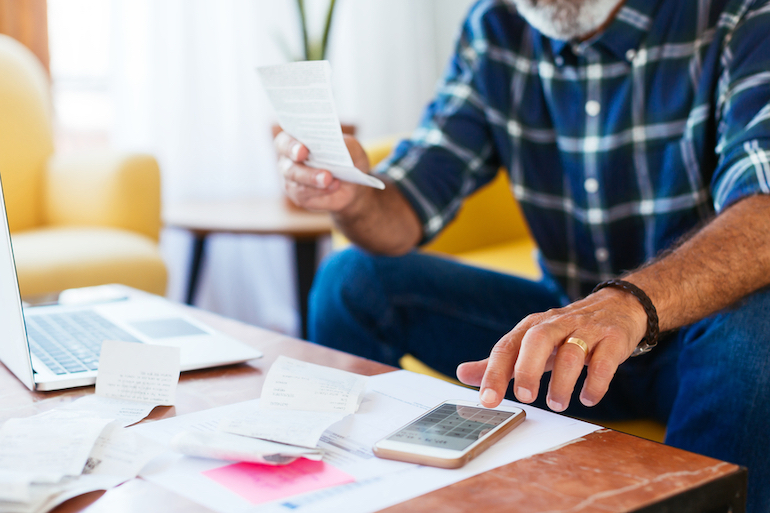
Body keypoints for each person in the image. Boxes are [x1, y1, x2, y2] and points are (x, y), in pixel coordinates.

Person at [274, 0, 770, 509]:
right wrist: (354, 199)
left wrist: (628, 305)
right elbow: (407, 202)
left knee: (759, 325)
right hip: (563, 347)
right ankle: (349, 496)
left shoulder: (742, 13)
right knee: (351, 280)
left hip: (703, 348)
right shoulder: (495, 25)